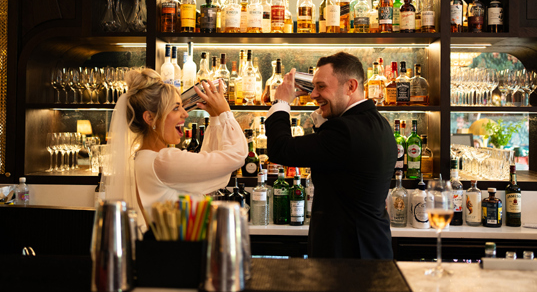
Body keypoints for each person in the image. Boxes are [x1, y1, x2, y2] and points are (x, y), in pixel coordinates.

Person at [265, 52, 396, 259]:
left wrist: (281, 102)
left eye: (321, 86)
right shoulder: (377, 123)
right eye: (313, 86)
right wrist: (322, 108)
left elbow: (280, 148)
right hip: (373, 247)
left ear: (351, 86)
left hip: (347, 255)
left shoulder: (345, 131)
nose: (313, 94)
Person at [104, 68, 247, 231]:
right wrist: (225, 113)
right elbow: (235, 157)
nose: (185, 114)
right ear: (150, 118)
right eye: (175, 108)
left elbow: (214, 169)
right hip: (181, 252)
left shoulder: (145, 159)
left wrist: (215, 118)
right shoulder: (163, 162)